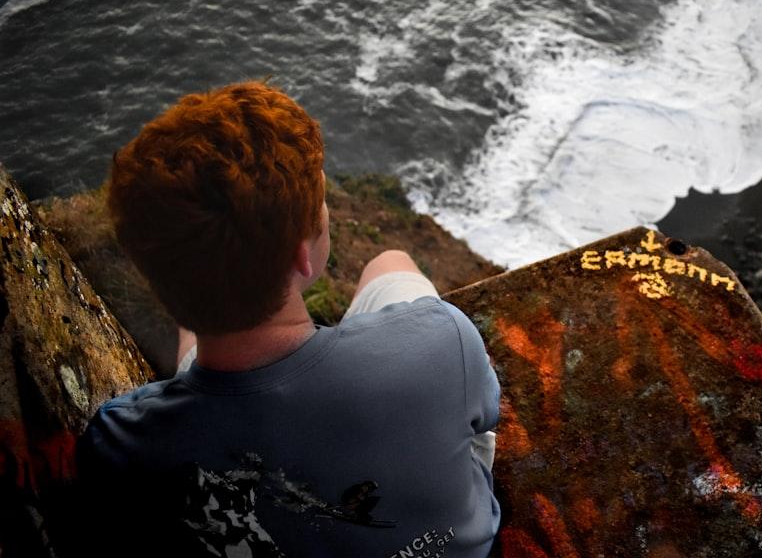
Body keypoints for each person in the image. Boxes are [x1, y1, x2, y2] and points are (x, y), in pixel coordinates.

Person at [77, 80, 501, 557]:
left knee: (196, 351)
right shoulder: (441, 339)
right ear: (303, 255)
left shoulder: (121, 442)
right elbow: (485, 414)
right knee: (390, 264)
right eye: (320, 203)